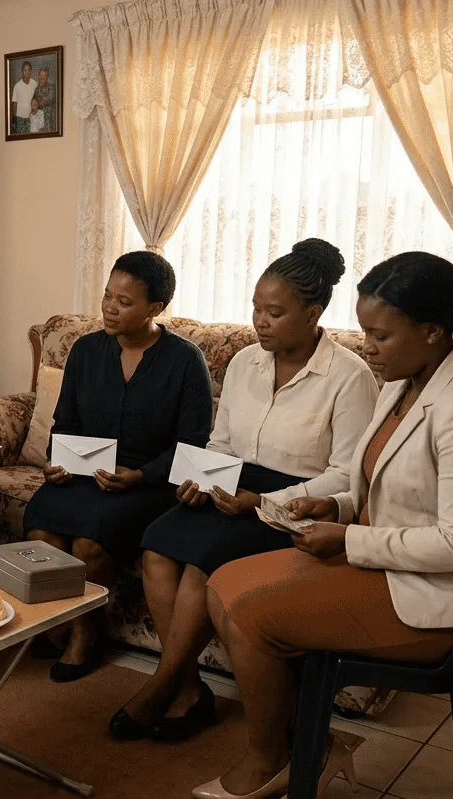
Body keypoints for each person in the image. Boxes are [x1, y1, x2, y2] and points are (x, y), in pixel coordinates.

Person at [196, 252, 453, 799]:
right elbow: (376, 482)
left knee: (248, 611)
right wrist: (335, 504)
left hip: (436, 600)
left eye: (379, 335)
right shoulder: (405, 381)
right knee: (221, 584)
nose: (365, 346)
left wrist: (348, 540)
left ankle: (274, 757)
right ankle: (311, 743)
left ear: (431, 329)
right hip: (388, 566)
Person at [113, 239, 378, 744]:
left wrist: (265, 503)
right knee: (156, 549)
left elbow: (348, 476)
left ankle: (162, 684)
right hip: (233, 486)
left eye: (274, 312)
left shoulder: (349, 376)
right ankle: (190, 692)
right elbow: (220, 443)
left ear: (313, 313)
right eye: (256, 308)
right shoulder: (244, 364)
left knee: (198, 567)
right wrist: (201, 479)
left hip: (296, 501)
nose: (260, 321)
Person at [22, 251, 213, 683]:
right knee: (41, 532)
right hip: (83, 473)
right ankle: (68, 622)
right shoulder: (86, 351)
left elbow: (194, 444)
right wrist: (58, 462)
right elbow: (65, 422)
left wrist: (142, 475)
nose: (109, 307)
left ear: (155, 309)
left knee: (89, 544)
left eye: (124, 302)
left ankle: (86, 636)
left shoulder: (185, 361)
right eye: (107, 296)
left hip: (149, 482)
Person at [11, 61, 37, 134]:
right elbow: (14, 102)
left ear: (31, 71)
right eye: (25, 70)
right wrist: (14, 117)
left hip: (31, 117)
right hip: (20, 117)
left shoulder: (34, 84)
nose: (27, 72)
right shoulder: (17, 86)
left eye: (28, 70)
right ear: (22, 71)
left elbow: (36, 99)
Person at [33, 66, 56, 131]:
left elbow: (49, 99)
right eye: (41, 75)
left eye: (44, 76)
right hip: (39, 120)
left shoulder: (52, 87)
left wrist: (37, 104)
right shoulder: (36, 89)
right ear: (38, 76)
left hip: (49, 119)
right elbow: (33, 104)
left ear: (47, 77)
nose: (42, 78)